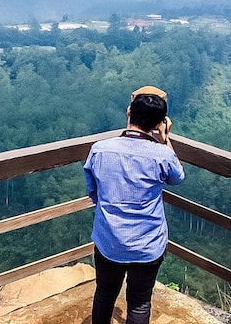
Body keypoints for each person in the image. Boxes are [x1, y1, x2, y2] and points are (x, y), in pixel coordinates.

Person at [84, 86, 185, 324]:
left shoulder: (99, 150)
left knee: (104, 294)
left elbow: (94, 192)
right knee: (140, 302)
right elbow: (177, 177)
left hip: (109, 239)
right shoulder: (162, 155)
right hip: (147, 243)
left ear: (129, 112)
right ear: (160, 123)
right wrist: (164, 140)